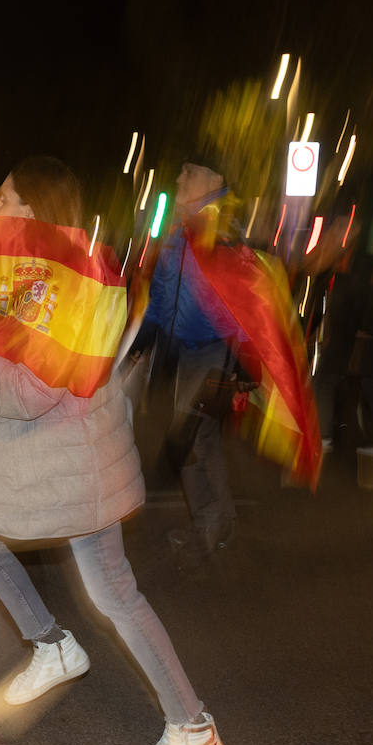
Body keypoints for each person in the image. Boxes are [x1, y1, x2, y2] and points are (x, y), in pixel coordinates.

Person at [0, 156, 229, 745]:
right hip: (56, 460)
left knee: (113, 592)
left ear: (37, 210)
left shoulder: (61, 282)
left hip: (76, 464)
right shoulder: (39, 270)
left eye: (10, 199)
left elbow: (33, 392)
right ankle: (52, 645)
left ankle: (193, 729)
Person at [135, 155, 244, 562]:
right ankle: (215, 520)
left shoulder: (222, 228)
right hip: (187, 352)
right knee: (198, 437)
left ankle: (212, 523)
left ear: (213, 178)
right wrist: (137, 345)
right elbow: (162, 299)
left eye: (191, 172)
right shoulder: (181, 232)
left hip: (214, 352)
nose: (180, 177)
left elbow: (240, 298)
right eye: (180, 170)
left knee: (194, 437)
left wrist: (239, 364)